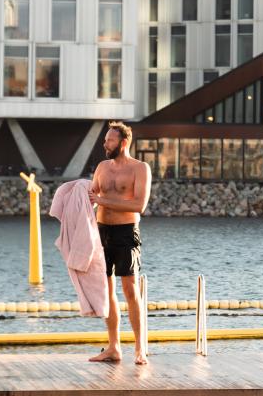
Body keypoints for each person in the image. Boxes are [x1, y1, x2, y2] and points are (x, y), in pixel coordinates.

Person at [87, 121, 152, 365]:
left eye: (110, 140)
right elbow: (91, 197)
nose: (105, 144)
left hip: (127, 232)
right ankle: (113, 347)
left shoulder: (140, 168)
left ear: (123, 143)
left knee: (130, 290)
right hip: (102, 232)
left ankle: (140, 349)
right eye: (105, 140)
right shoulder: (102, 167)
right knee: (106, 291)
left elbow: (139, 206)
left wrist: (102, 201)